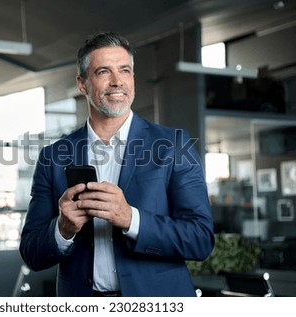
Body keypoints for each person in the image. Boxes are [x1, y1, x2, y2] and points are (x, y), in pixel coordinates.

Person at [19, 32, 214, 297]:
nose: (117, 81)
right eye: (103, 72)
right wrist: (62, 229)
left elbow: (200, 240)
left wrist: (131, 219)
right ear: (83, 84)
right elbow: (31, 252)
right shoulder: (54, 157)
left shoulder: (174, 145)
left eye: (125, 70)